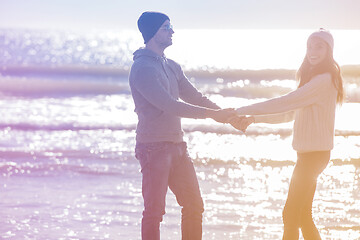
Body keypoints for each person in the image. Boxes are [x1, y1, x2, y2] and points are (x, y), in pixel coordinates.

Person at [128, 11, 240, 240]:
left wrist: (227, 115)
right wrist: (212, 116)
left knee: (194, 206)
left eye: (171, 26)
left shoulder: (171, 66)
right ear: (152, 33)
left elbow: (194, 96)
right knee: (154, 213)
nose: (172, 31)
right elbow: (171, 105)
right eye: (166, 27)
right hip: (153, 148)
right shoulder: (143, 69)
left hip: (178, 146)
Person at [231, 29, 344, 239]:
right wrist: (254, 119)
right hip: (311, 156)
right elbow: (289, 113)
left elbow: (285, 101)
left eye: (319, 47)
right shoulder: (315, 80)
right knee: (302, 215)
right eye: (310, 46)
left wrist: (242, 110)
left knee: (290, 214)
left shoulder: (323, 80)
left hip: (314, 156)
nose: (313, 51)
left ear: (329, 50)